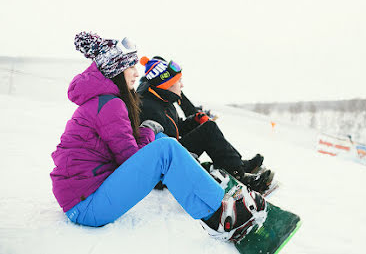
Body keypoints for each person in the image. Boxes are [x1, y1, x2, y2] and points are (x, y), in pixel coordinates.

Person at [49, 32, 266, 241]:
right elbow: (130, 159)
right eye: (130, 66)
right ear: (116, 69)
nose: (136, 73)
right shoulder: (110, 104)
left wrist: (150, 133)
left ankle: (213, 202)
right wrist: (148, 131)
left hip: (84, 200)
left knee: (162, 142)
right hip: (86, 206)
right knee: (166, 148)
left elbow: (128, 153)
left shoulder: (106, 100)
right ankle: (220, 214)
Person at [136, 56, 273, 194]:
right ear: (168, 84)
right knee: (209, 130)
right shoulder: (149, 107)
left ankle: (238, 166)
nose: (182, 86)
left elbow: (175, 128)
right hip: (166, 169)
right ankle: (238, 174)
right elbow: (159, 149)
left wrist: (195, 120)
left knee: (207, 126)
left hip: (174, 154)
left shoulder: (163, 100)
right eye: (179, 82)